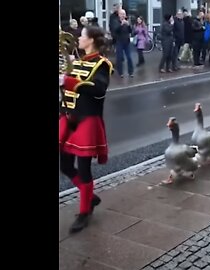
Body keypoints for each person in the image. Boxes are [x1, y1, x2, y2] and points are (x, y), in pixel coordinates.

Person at [59, 26, 113, 233]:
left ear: (90, 40)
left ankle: (84, 212)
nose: (78, 39)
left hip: (87, 121)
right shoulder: (78, 62)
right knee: (64, 165)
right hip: (69, 117)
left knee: (83, 168)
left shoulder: (102, 64)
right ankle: (89, 195)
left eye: (81, 36)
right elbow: (69, 92)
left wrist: (69, 81)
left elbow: (98, 91)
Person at [115, 9, 134, 77]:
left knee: (129, 57)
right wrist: (121, 24)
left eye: (124, 14)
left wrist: (129, 25)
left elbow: (131, 31)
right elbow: (115, 30)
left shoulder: (127, 22)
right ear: (119, 15)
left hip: (127, 42)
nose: (123, 15)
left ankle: (131, 72)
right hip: (119, 42)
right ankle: (120, 73)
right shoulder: (116, 21)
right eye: (122, 14)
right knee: (119, 57)